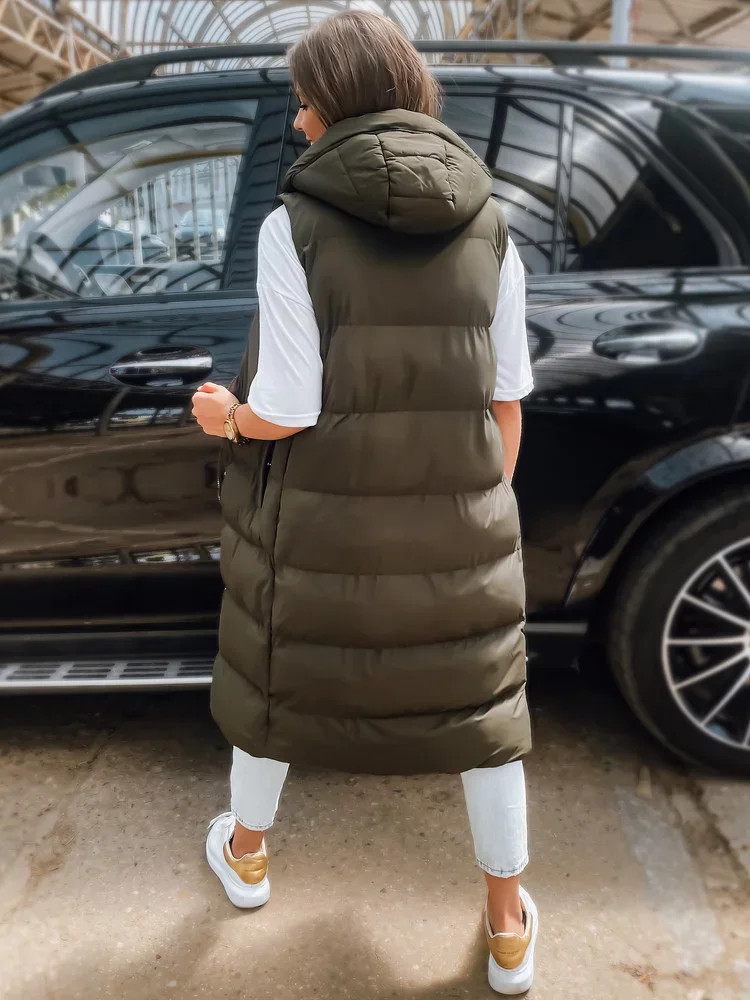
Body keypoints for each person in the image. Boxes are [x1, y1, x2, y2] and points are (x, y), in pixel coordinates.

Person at [191, 10, 537, 994]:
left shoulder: (292, 226)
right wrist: (473, 514)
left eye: (304, 102)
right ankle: (507, 929)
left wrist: (223, 416)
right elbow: (507, 398)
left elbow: (288, 406)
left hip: (317, 529)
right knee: (484, 715)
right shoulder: (492, 222)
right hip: (459, 531)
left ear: (333, 103)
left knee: (275, 683)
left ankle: (247, 855)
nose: (299, 122)